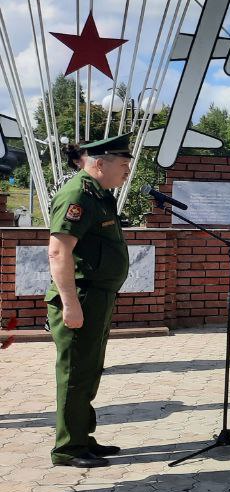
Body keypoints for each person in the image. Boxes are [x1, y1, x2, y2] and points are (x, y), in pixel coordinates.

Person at [46, 134, 134, 468]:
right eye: (123, 165)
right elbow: (58, 251)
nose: (127, 171)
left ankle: (82, 437)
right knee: (74, 373)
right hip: (80, 297)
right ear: (100, 163)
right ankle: (68, 448)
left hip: (96, 297)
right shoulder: (77, 194)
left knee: (89, 370)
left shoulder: (100, 195)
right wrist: (70, 303)